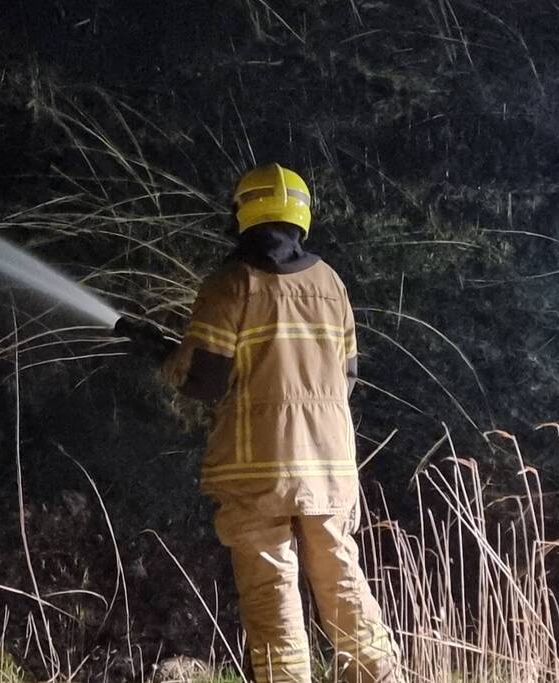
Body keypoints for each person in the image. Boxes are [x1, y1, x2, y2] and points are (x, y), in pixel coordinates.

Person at [159, 163, 401, 682]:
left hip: (256, 467)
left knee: (271, 591)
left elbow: (203, 381)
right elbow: (347, 375)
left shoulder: (232, 284)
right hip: (330, 466)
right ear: (300, 216)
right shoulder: (330, 283)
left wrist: (163, 354)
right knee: (341, 578)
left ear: (243, 213)